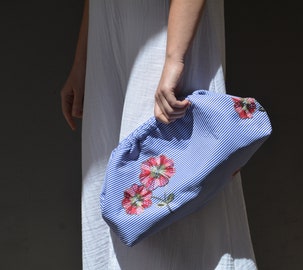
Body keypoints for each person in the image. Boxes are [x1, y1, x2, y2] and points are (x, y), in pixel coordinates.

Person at [61, 0, 258, 269]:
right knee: (123, 193)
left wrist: (174, 59)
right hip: (110, 35)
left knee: (167, 192)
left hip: (166, 33)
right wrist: (83, 58)